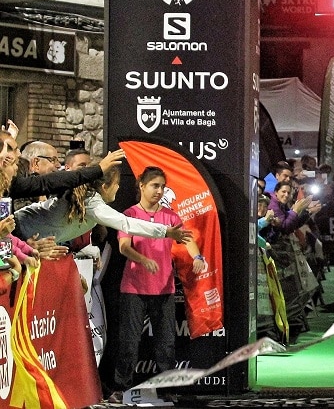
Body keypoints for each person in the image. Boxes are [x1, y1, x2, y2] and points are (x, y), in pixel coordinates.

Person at [110, 166, 204, 403]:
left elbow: (187, 239)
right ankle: (121, 388)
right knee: (129, 342)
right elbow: (123, 247)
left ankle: (167, 389)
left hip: (164, 289)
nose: (159, 191)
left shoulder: (170, 217)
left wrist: (197, 257)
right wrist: (143, 260)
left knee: (166, 345)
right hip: (133, 289)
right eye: (155, 185)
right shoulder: (129, 214)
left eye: (162, 186)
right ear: (141, 186)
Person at [12, 165, 193, 245]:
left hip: (25, 237)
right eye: (116, 184)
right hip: (16, 230)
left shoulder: (90, 202)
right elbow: (125, 223)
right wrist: (166, 231)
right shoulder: (91, 201)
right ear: (105, 187)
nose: (119, 188)